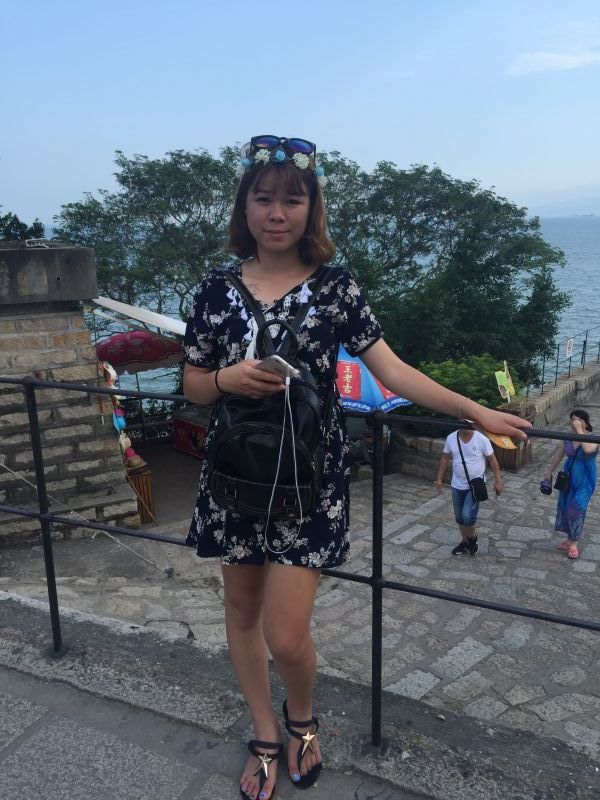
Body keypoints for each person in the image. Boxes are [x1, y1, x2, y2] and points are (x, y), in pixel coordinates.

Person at [182, 134, 531, 800]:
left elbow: (391, 370)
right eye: (264, 198)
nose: (276, 213)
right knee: (241, 609)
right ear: (244, 205)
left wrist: (473, 409)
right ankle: (264, 731)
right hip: (235, 477)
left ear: (311, 208)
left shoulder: (335, 287)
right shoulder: (214, 291)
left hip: (309, 482)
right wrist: (228, 378)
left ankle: (302, 719)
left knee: (287, 634)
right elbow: (194, 385)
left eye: (292, 199)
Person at [435, 428, 503, 555]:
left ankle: (472, 539)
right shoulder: (451, 438)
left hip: (474, 486)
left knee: (467, 516)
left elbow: (492, 460)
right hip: (456, 485)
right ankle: (464, 542)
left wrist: (498, 480)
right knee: (459, 517)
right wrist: (439, 478)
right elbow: (445, 458)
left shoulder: (482, 439)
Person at [542, 409, 598, 560]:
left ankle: (574, 544)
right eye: (572, 419)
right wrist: (549, 472)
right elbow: (559, 455)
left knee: (576, 509)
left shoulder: (593, 438)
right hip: (568, 478)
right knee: (566, 508)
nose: (573, 422)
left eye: (577, 420)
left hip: (585, 480)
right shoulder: (568, 438)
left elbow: (588, 450)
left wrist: (579, 431)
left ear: (585, 423)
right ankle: (569, 539)